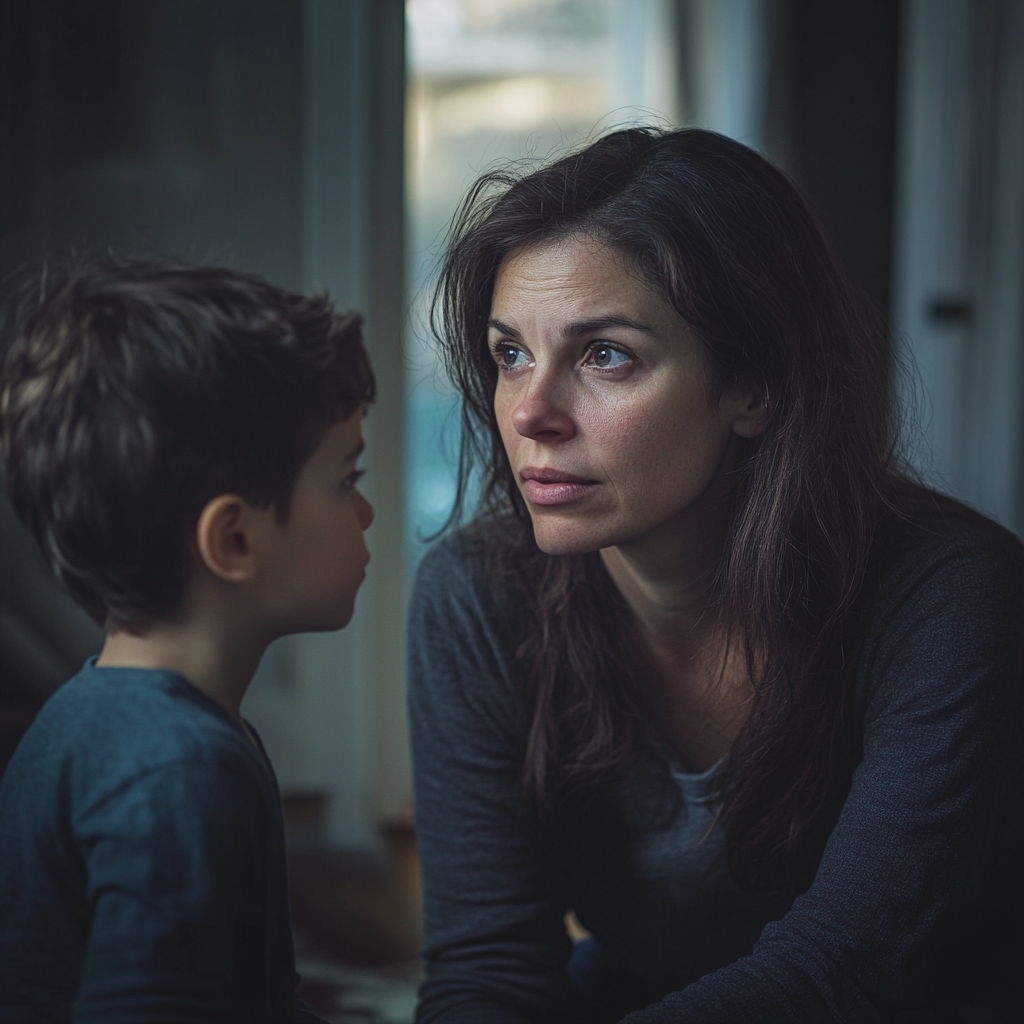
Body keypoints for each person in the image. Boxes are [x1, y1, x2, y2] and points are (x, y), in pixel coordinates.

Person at [407, 127, 1024, 1023]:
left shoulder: (952, 599)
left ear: (755, 385)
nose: (531, 414)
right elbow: (489, 965)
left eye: (605, 354)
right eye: (510, 354)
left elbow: (841, 974)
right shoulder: (475, 595)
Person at [0, 259, 375, 1023]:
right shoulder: (176, 769)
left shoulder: (91, 714)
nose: (365, 512)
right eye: (345, 480)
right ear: (234, 539)